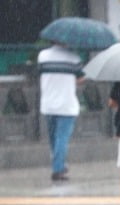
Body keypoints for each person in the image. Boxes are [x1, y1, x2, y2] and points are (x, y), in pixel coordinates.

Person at [37, 43, 84, 181]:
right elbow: (80, 78)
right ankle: (58, 169)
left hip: (48, 104)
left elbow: (41, 73)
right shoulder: (74, 58)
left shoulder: (42, 56)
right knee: (61, 139)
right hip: (67, 105)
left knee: (53, 139)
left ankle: (59, 165)